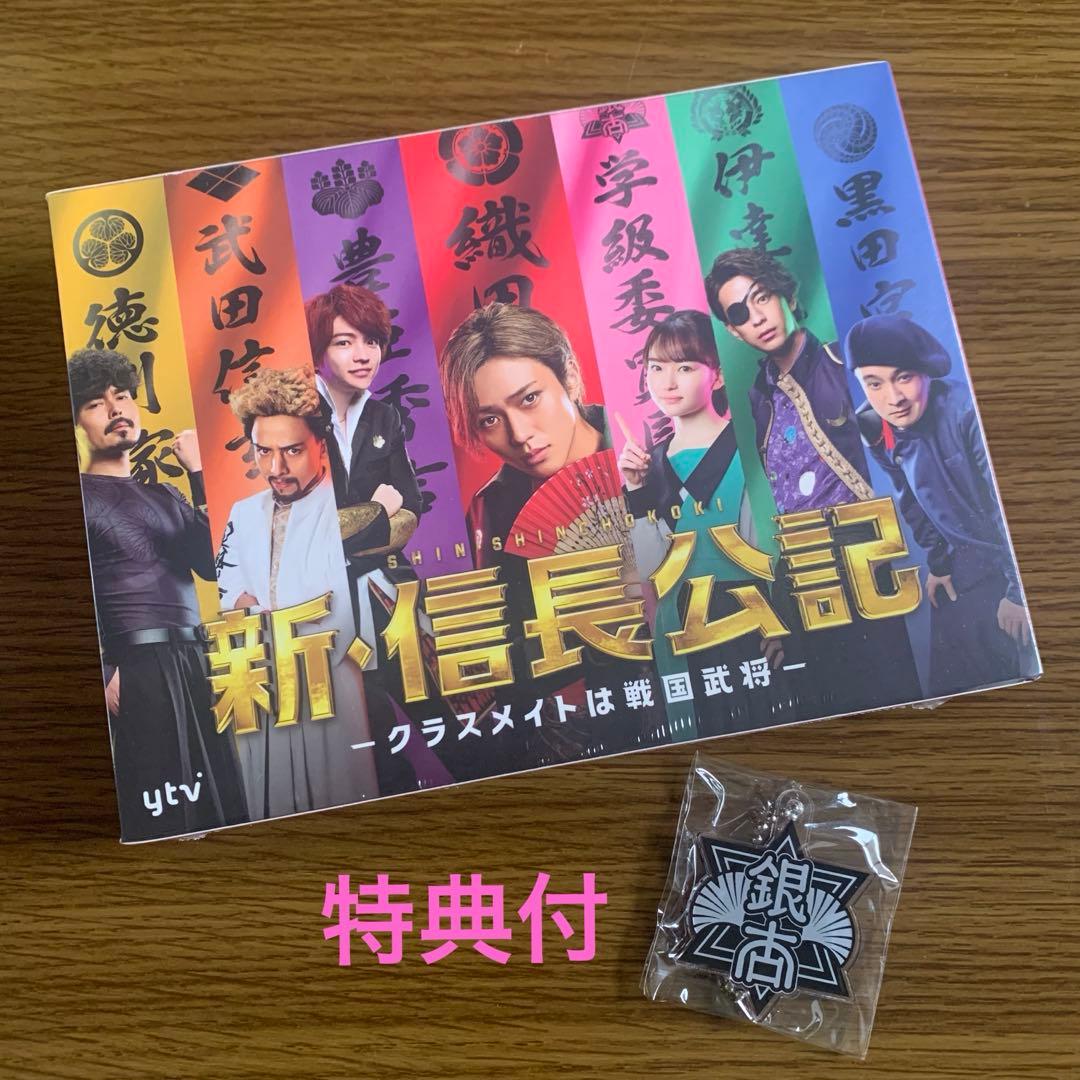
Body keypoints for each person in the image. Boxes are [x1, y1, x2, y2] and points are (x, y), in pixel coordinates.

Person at [703, 248, 923, 711]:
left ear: (785, 293)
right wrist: (783, 605)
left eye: (762, 297)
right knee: (829, 703)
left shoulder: (843, 364)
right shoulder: (759, 398)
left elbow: (906, 457)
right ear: (733, 330)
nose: (757, 317)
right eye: (740, 313)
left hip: (871, 559)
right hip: (807, 576)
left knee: (897, 691)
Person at [68, 347, 247, 841]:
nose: (116, 409)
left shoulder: (165, 494)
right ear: (77, 423)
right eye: (96, 404)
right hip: (135, 665)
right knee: (160, 812)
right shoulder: (78, 495)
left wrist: (198, 475)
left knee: (220, 803)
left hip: (194, 658)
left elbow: (213, 564)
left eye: (122, 397)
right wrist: (103, 671)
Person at [216, 365, 380, 819]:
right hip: (263, 680)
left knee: (342, 788)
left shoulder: (347, 508)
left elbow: (344, 600)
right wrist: (250, 608)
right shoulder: (243, 513)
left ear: (321, 444)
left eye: (292, 450)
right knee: (269, 799)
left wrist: (278, 615)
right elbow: (228, 587)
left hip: (332, 673)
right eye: (263, 451)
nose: (276, 468)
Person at [846, 314, 1037, 695]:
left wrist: (1018, 595)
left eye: (903, 377)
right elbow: (908, 497)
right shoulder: (872, 423)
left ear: (926, 370)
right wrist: (938, 564)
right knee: (946, 677)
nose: (893, 399)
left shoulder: (966, 411)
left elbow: (1006, 509)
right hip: (961, 560)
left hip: (1009, 561)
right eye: (874, 383)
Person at [617, 310, 786, 737]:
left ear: (718, 375)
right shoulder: (650, 467)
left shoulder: (750, 445)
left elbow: (774, 546)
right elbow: (654, 570)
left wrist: (784, 619)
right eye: (656, 368)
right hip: (678, 631)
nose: (666, 382)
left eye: (685, 368)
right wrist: (635, 493)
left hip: (750, 622)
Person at [440, 302, 610, 568]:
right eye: (490, 420)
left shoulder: (652, 448)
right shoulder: (488, 512)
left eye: (529, 399)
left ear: (571, 377)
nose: (519, 435)